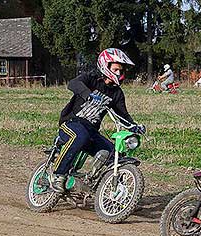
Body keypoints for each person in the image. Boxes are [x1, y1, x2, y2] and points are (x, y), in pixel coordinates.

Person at [51, 48, 146, 193]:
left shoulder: (117, 93)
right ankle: (58, 175)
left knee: (114, 154)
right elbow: (73, 84)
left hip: (91, 131)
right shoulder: (91, 79)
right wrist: (88, 94)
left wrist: (134, 126)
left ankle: (118, 193)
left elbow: (123, 115)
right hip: (71, 123)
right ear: (105, 65)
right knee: (79, 135)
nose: (119, 74)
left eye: (121, 71)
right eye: (116, 69)